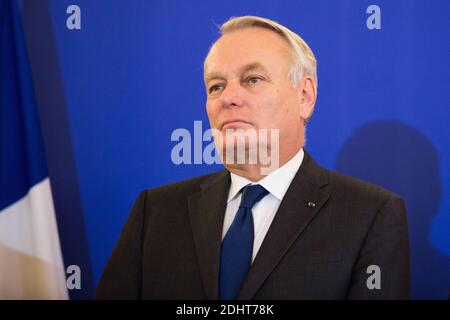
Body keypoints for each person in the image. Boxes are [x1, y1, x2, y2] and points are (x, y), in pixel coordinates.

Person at [96, 16, 410, 299]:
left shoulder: (370, 215)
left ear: (305, 96)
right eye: (216, 86)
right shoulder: (154, 212)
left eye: (252, 79)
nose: (228, 98)